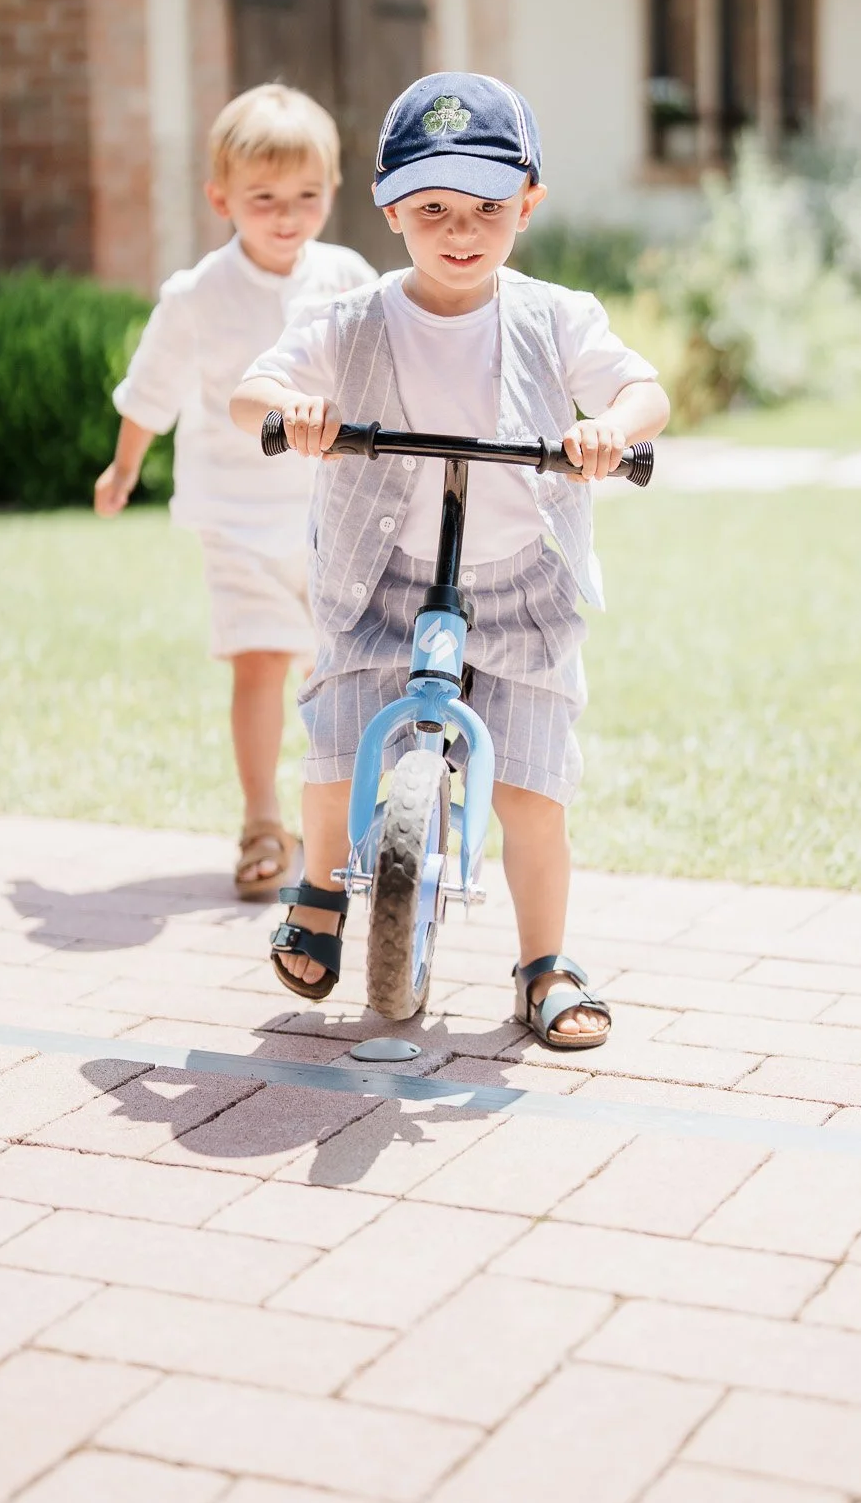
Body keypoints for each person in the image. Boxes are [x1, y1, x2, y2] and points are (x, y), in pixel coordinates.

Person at [231, 72, 670, 1049]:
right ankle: (319, 887)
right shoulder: (355, 319)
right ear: (390, 208)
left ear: (530, 204)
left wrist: (609, 426)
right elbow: (253, 386)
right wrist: (290, 412)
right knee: (340, 735)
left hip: (517, 582)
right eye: (432, 207)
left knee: (532, 790)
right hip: (380, 577)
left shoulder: (556, 316)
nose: (460, 229)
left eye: (487, 206)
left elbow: (642, 387)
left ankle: (544, 960)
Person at [95, 84, 376, 900]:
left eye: (306, 197)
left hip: (333, 515)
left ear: (331, 192)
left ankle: (342, 827)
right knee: (259, 664)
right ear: (221, 198)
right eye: (263, 199)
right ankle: (261, 820)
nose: (286, 216)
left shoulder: (347, 277)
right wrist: (123, 468)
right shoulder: (197, 295)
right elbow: (150, 387)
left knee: (338, 671)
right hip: (237, 518)